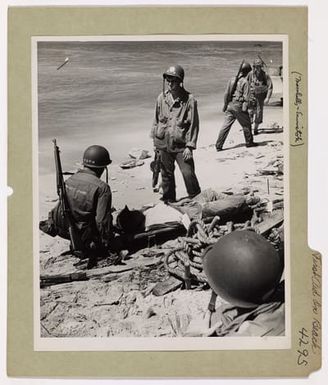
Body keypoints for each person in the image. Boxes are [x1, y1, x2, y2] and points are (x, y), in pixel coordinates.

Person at [40, 145, 115, 255]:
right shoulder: (102, 188)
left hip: (63, 229)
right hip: (83, 233)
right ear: (103, 167)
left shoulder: (69, 180)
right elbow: (102, 222)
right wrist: (107, 241)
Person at [151, 65, 201, 203]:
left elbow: (194, 124)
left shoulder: (190, 100)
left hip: (181, 145)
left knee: (188, 173)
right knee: (166, 175)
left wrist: (190, 146)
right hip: (163, 143)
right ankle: (169, 200)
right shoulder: (161, 98)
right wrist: (155, 143)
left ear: (180, 81)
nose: (170, 83)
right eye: (168, 80)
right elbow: (156, 120)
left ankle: (196, 197)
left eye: (173, 80)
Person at [216, 61, 257, 151]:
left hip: (230, 105)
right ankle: (249, 142)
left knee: (225, 126)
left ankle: (218, 145)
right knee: (246, 124)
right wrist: (246, 108)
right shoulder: (245, 82)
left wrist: (225, 105)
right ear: (247, 72)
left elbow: (226, 94)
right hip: (238, 105)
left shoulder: (232, 79)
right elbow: (246, 98)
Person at [247, 58, 273, 135]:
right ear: (253, 67)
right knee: (249, 113)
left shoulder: (265, 75)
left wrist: (268, 98)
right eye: (256, 67)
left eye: (259, 67)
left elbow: (270, 87)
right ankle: (249, 127)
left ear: (261, 67)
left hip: (261, 97)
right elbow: (246, 85)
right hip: (251, 96)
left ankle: (255, 129)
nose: (257, 68)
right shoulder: (250, 74)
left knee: (258, 113)